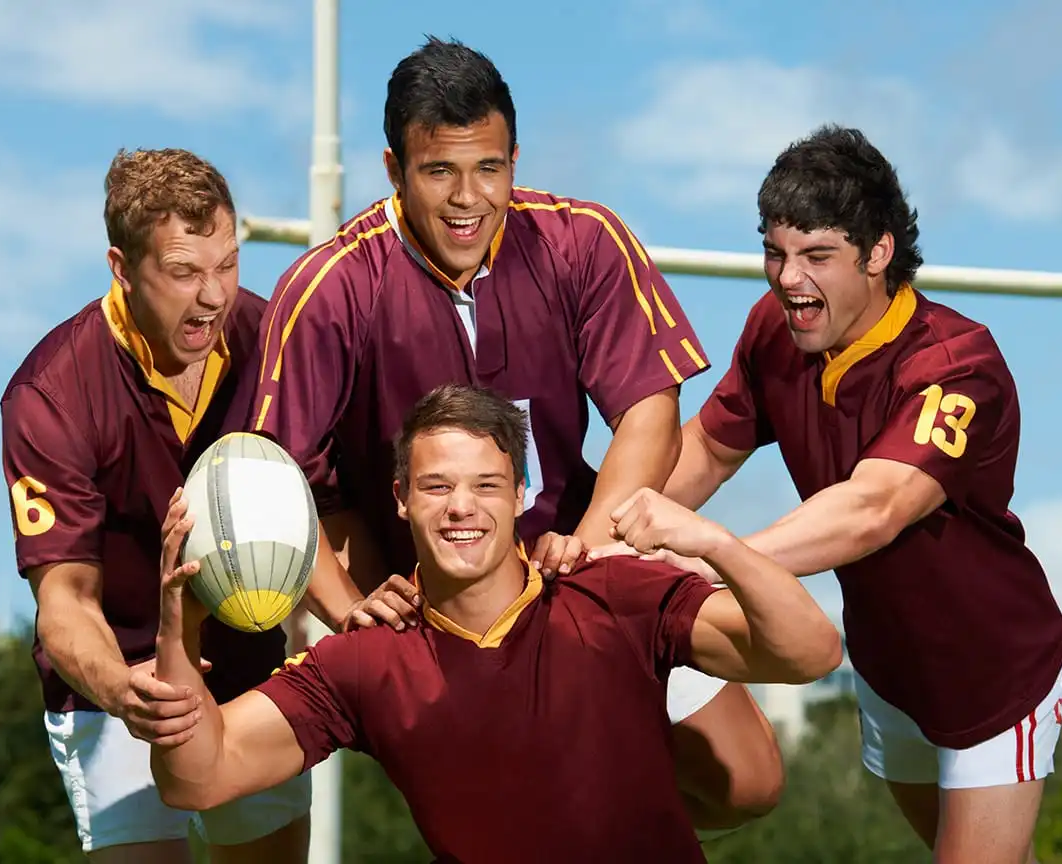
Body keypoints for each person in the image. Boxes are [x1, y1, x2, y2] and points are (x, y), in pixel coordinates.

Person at [243, 35, 784, 828]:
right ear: (394, 170)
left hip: (569, 546)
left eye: (489, 169)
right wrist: (345, 605)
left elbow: (648, 408)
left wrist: (592, 553)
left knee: (747, 784)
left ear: (515, 158)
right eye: (439, 172)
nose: (469, 198)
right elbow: (277, 474)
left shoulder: (582, 240)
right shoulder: (328, 289)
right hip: (429, 583)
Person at [602, 125, 1062, 863]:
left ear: (878, 252)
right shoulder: (774, 329)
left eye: (817, 256)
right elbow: (703, 450)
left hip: (993, 676)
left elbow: (872, 508)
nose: (789, 279)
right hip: (888, 671)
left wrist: (717, 553)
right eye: (775, 252)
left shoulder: (958, 365)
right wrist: (597, 542)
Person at [151, 384, 842, 864]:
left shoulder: (608, 597)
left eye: (485, 485)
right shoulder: (365, 659)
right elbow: (198, 779)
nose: (461, 507)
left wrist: (714, 543)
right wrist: (179, 626)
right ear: (400, 499)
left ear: (519, 493)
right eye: (436, 486)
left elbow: (810, 651)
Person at [0, 148, 359, 863]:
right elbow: (65, 599)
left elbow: (312, 512)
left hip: (250, 671)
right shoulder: (50, 394)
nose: (214, 295)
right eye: (184, 272)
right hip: (118, 682)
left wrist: (354, 617)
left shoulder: (276, 343)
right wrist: (122, 690)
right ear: (121, 268)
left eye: (227, 265)